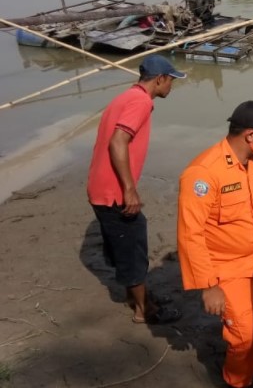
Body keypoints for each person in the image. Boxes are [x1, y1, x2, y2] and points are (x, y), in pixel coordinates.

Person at [177, 101, 253, 388]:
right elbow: (190, 233)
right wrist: (208, 285)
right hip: (226, 268)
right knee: (244, 334)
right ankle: (237, 381)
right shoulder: (203, 173)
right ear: (250, 136)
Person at [87, 54, 185, 325]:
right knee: (133, 248)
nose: (171, 87)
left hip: (101, 186)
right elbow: (118, 142)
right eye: (171, 81)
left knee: (129, 243)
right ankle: (145, 310)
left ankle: (139, 298)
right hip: (112, 191)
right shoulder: (140, 101)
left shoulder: (127, 97)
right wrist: (129, 189)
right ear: (160, 79)